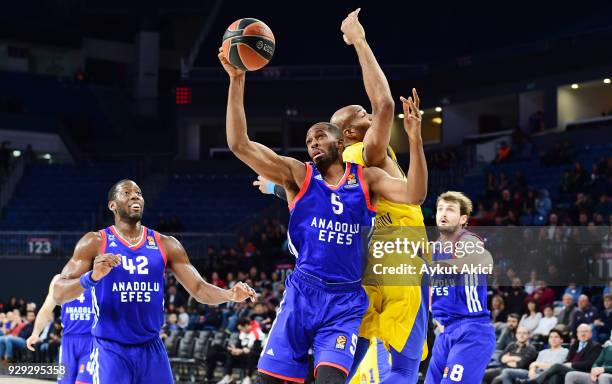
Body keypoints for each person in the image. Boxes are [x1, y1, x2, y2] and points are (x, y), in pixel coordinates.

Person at [219, 10, 425, 383]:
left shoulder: (348, 173)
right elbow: (385, 106)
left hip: (358, 281)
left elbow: (327, 198)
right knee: (403, 370)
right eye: (358, 114)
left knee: (356, 374)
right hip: (386, 275)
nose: (367, 115)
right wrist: (358, 39)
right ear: (345, 135)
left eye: (318, 138)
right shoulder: (368, 159)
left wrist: (271, 187)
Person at [52, 179, 256, 384]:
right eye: (126, 193)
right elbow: (59, 294)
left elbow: (199, 288)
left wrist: (229, 294)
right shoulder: (95, 241)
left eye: (138, 193)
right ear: (112, 205)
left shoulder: (166, 244)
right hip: (110, 349)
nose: (135, 196)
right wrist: (92, 277)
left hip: (152, 348)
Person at [425, 192, 496, 383]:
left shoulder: (466, 240)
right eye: (440, 208)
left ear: (463, 218)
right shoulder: (435, 248)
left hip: (472, 330)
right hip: (445, 332)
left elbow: (485, 259)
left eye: (450, 209)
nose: (443, 213)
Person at [27, 274, 94, 384]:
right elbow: (46, 308)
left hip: (90, 341)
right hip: (67, 342)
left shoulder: (97, 273)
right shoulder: (59, 279)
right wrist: (35, 333)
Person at [517, 324, 602, 384]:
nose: (582, 334)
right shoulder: (574, 345)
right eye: (580, 332)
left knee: (557, 366)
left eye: (585, 331)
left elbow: (589, 364)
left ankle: (534, 382)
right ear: (577, 334)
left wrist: (571, 364)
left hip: (582, 372)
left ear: (591, 334)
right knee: (555, 376)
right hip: (569, 370)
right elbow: (567, 360)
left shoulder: (596, 346)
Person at [496, 329, 568, 383]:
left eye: (556, 337)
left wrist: (537, 364)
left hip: (547, 374)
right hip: (534, 373)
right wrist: (532, 370)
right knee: (506, 372)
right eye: (551, 337)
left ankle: (529, 382)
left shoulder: (564, 351)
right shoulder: (543, 352)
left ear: (561, 340)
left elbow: (556, 366)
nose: (553, 339)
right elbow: (533, 365)